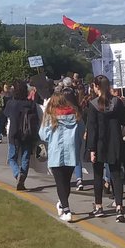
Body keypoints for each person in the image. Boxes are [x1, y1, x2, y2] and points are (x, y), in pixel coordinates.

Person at [84, 74, 125, 221]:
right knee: (116, 175)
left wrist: (91, 149)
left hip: (99, 143)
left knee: (98, 175)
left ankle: (99, 206)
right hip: (115, 142)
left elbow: (92, 128)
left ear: (96, 87)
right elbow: (124, 120)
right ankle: (119, 207)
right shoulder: (117, 102)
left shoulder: (93, 105)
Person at [39, 90, 82, 221]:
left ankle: (66, 209)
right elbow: (81, 132)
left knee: (60, 183)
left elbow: (43, 135)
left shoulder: (50, 117)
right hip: (71, 152)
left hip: (56, 153)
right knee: (66, 182)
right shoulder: (75, 115)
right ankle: (62, 204)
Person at [3, 80, 39, 190]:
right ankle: (22, 179)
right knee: (25, 157)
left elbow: (6, 116)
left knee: (12, 158)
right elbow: (36, 120)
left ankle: (17, 173)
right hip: (28, 133)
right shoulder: (31, 104)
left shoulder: (11, 103)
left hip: (14, 133)